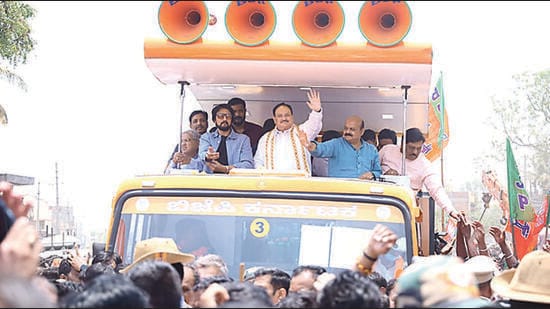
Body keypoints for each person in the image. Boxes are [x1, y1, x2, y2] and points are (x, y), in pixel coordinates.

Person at [379, 127, 465, 222]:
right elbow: (372, 170)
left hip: (405, 210)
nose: (415, 152)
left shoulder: (424, 165)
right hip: (380, 203)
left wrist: (451, 210)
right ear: (402, 144)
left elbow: (436, 189)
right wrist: (384, 175)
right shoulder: (387, 150)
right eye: (411, 148)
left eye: (419, 148)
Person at [254, 89, 322, 174]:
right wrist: (265, 175)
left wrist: (316, 111)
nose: (284, 118)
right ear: (274, 119)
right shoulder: (265, 139)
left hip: (299, 184)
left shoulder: (302, 131)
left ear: (292, 117)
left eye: (287, 115)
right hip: (274, 184)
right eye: (280, 116)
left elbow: (314, 125)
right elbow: (258, 161)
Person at [300, 115, 381, 180]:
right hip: (340, 192)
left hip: (364, 192)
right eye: (346, 128)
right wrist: (309, 145)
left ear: (362, 131)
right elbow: (319, 149)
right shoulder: (335, 144)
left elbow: (378, 171)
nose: (347, 132)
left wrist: (372, 174)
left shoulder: (371, 150)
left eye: (352, 129)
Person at [187, 104, 254, 174]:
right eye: (220, 116)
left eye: (228, 116)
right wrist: (207, 156)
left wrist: (226, 169)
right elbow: (202, 155)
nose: (224, 119)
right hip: (210, 180)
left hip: (234, 181)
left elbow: (248, 165)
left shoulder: (243, 139)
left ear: (232, 119)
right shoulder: (207, 137)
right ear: (214, 120)